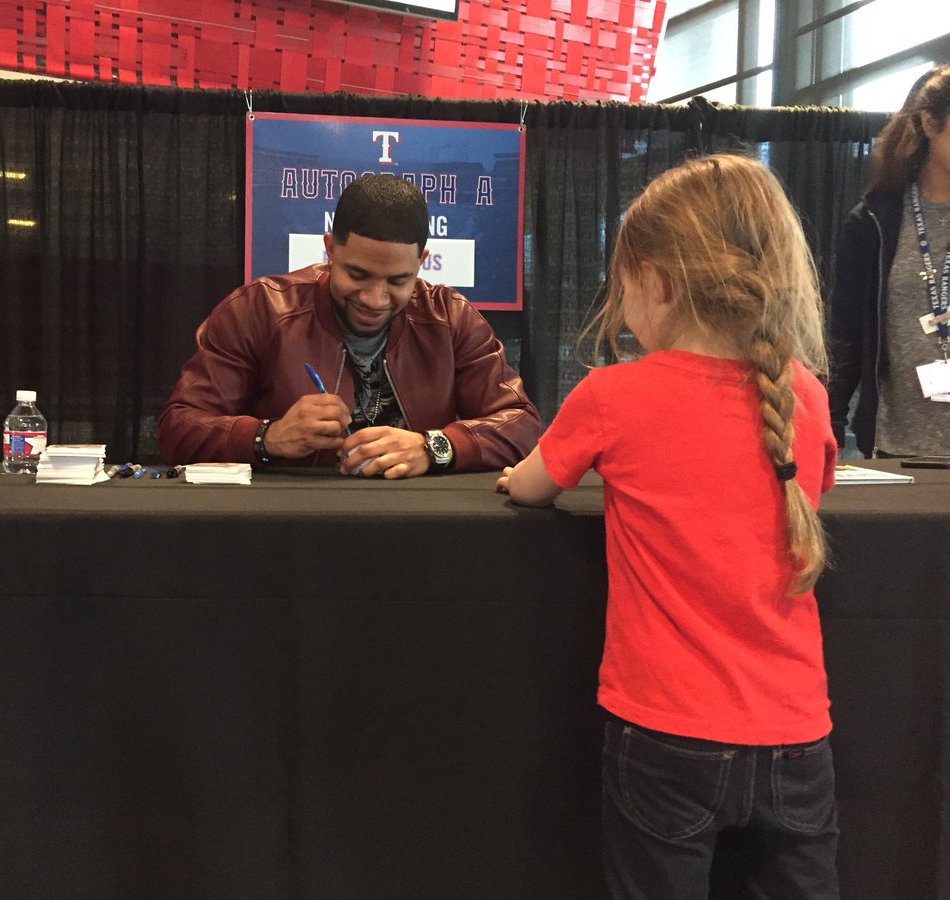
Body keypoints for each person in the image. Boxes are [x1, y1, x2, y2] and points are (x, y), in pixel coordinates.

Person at [497, 155, 840, 898]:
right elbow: (811, 489)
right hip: (797, 735)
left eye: (622, 290)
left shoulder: (614, 395)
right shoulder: (804, 396)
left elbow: (530, 488)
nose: (620, 310)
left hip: (665, 736)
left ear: (658, 282)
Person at [157, 174, 541, 477]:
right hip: (287, 526)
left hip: (419, 525)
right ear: (330, 248)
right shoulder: (259, 309)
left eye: (397, 281)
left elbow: (522, 424)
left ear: (422, 261)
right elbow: (177, 428)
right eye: (357, 274)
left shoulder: (450, 316)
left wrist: (435, 447)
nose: (375, 299)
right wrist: (267, 437)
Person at [828, 64, 950, 458]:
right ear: (930, 123)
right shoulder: (874, 221)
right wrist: (829, 426)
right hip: (897, 450)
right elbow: (845, 336)